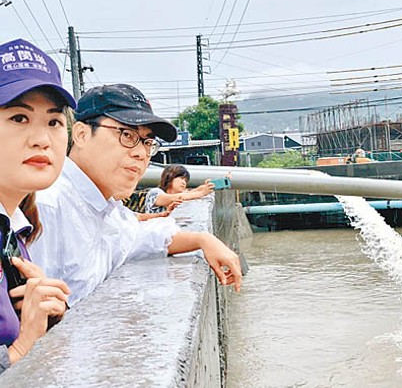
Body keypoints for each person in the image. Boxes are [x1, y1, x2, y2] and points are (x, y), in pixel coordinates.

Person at [29, 84, 242, 306]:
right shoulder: (46, 207)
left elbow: (141, 238)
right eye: (127, 135)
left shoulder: (105, 209)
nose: (141, 153)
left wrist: (202, 239)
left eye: (148, 142)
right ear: (82, 134)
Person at [0, 38, 74, 372]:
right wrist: (20, 348)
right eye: (18, 118)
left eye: (54, 122)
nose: (41, 138)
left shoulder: (15, 232)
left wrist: (47, 313)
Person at [145, 164, 216, 232]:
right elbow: (176, 197)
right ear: (170, 176)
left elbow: (191, 192)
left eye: (185, 180)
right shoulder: (155, 193)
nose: (184, 183)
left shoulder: (183, 195)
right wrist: (201, 193)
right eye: (181, 178)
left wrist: (205, 187)